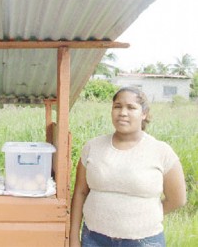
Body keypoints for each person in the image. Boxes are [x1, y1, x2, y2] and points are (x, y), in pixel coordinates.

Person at [69, 86, 186, 247]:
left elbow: (178, 199)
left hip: (144, 240)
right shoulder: (92, 147)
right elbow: (80, 192)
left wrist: (145, 217)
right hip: (94, 238)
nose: (123, 112)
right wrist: (73, 237)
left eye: (131, 107)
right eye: (117, 106)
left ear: (144, 114)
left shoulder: (161, 151)